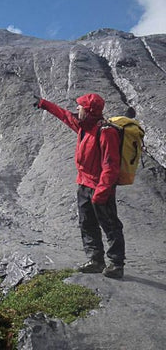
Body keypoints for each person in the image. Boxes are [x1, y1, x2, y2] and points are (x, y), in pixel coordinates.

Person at [33, 93, 125, 279]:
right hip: (84, 185)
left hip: (100, 188)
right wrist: (45, 104)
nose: (77, 109)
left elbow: (110, 166)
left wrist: (101, 192)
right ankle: (95, 260)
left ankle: (116, 264)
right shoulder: (85, 126)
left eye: (80, 106)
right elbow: (65, 116)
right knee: (87, 223)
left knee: (110, 225)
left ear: (88, 110)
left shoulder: (106, 132)